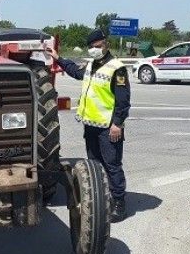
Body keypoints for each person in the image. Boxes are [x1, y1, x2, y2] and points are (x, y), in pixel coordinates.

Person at [47, 29, 130, 222]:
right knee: (95, 165)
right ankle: (103, 197)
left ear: (106, 44)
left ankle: (119, 203)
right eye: (92, 47)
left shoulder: (117, 68)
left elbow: (123, 101)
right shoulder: (92, 65)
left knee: (112, 165)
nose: (95, 50)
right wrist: (59, 58)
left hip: (109, 127)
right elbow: (76, 72)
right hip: (92, 125)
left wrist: (118, 124)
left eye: (98, 46)